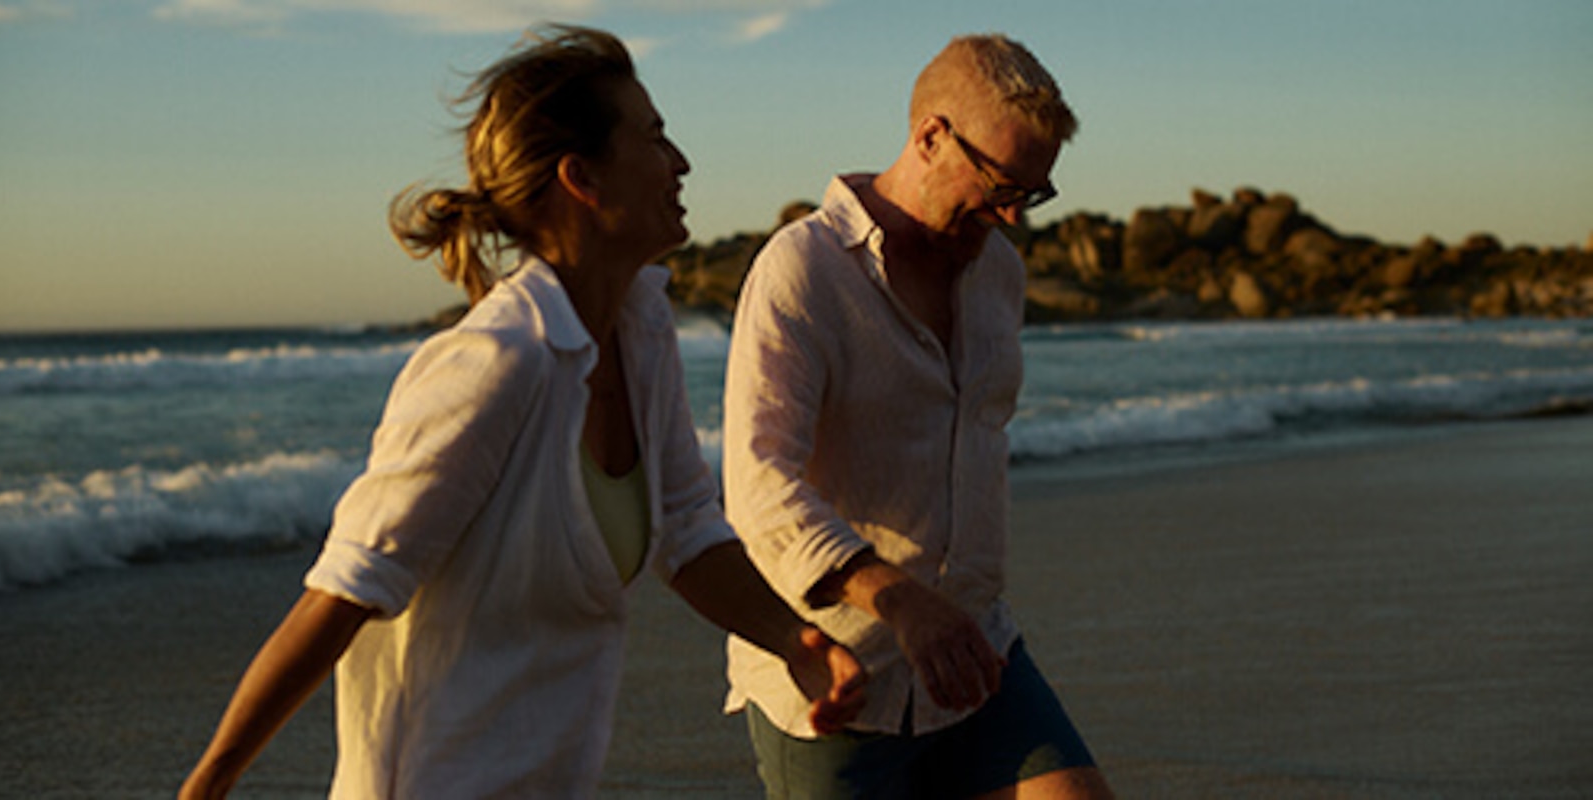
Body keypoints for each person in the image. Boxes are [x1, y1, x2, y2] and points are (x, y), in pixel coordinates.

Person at [180, 25, 864, 799]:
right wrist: (209, 781)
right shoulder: (495, 363)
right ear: (583, 179)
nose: (681, 163)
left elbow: (688, 529)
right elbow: (345, 591)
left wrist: (793, 642)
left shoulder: (640, 327)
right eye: (655, 137)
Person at [721, 34, 1114, 798]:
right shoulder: (801, 270)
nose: (1011, 217)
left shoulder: (999, 271)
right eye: (1001, 184)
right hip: (837, 676)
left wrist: (945, 614)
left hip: (976, 653)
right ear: (931, 136)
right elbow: (759, 484)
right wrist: (899, 600)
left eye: (1031, 195)